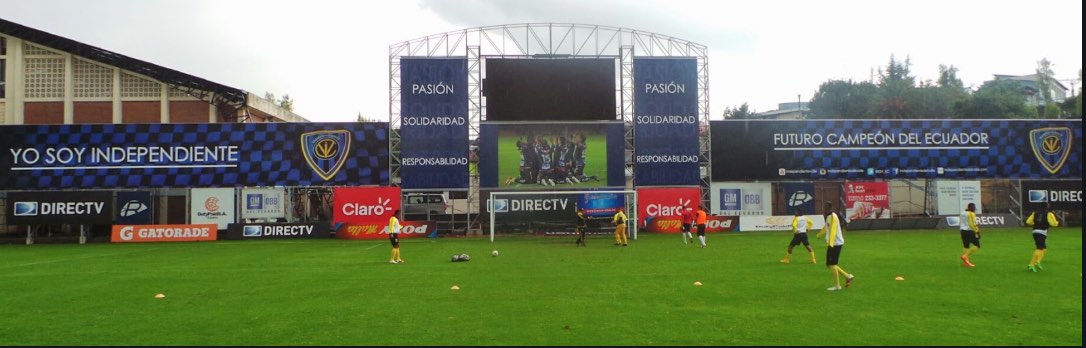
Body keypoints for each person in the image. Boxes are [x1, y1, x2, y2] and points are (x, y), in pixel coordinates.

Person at [816, 201, 854, 291]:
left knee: (832, 264)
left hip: (835, 244)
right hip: (833, 243)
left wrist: (831, 243)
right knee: (829, 265)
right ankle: (847, 276)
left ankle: (837, 286)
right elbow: (826, 227)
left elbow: (832, 230)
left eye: (824, 207)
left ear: (829, 208)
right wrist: (819, 234)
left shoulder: (833, 217)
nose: (823, 209)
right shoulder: (828, 217)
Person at [1025, 203, 1059, 272]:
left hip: (1035, 231)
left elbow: (1028, 222)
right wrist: (1057, 222)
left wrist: (1036, 223)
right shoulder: (1049, 214)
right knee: (1040, 248)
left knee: (1044, 248)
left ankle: (1037, 262)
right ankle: (1031, 264)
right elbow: (1053, 224)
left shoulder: (1035, 213)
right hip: (1041, 232)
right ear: (1047, 207)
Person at [959, 202, 981, 267]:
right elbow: (972, 224)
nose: (974, 209)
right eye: (973, 208)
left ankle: (965, 262)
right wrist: (977, 231)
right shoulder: (971, 214)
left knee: (966, 246)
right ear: (970, 208)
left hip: (963, 231)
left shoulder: (963, 213)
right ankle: (965, 256)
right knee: (977, 245)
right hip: (969, 231)